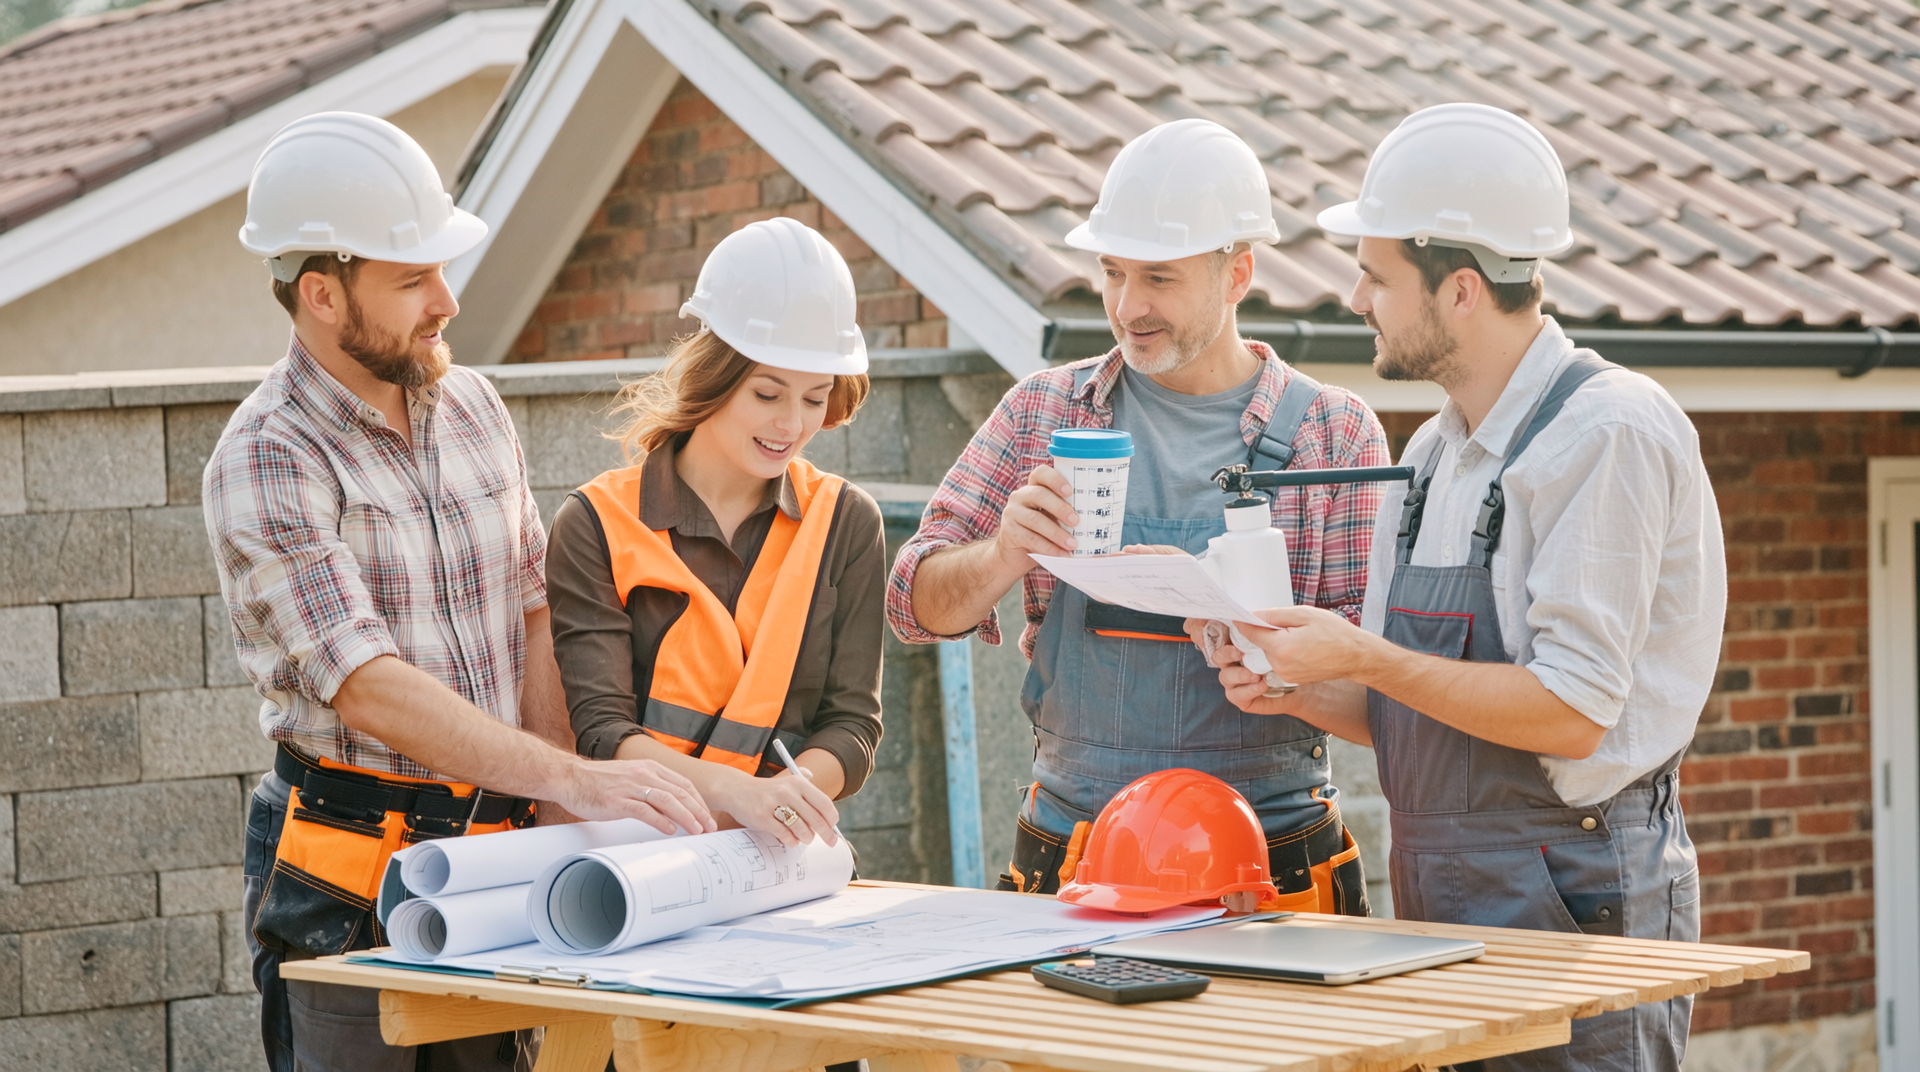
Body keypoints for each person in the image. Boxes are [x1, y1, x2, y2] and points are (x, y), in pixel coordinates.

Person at [1205, 103, 1724, 1070]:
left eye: (1377, 276)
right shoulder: (1437, 452)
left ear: (1462, 291)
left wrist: (1362, 653)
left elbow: (1572, 711)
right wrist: (1292, 679)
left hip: (1575, 897)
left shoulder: (1603, 434)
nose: (1357, 299)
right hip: (1440, 898)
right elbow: (1413, 702)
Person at [205, 112, 715, 1072]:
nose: (446, 299)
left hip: (495, 851)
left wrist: (564, 811)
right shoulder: (267, 458)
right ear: (320, 292)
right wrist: (568, 778)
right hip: (345, 873)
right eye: (410, 279)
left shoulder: (475, 409)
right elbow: (365, 683)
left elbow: (532, 613)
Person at [889, 119, 1390, 912]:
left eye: (1159, 277)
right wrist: (1001, 556)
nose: (1128, 306)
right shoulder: (1042, 411)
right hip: (1080, 855)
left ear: (1238, 274)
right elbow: (911, 606)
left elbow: (1385, 704)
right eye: (1113, 272)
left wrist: (1282, 684)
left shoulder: (1334, 435)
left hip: (1271, 866)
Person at [546, 217, 885, 848]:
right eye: (767, 393)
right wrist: (741, 796)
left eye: (815, 399)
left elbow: (851, 725)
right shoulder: (595, 522)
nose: (791, 424)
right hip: (634, 857)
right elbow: (602, 730)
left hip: (778, 860)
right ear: (716, 373)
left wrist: (784, 803)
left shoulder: (846, 523)